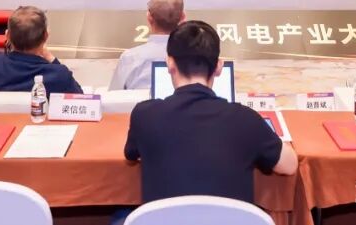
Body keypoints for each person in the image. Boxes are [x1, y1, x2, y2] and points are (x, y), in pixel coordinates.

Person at [124, 21, 298, 204]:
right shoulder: (246, 119)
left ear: (170, 63)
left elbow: (132, 154)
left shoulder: (144, 115)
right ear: (219, 67)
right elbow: (289, 165)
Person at [0, 5, 83, 93]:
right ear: (46, 36)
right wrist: (51, 58)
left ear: (7, 36)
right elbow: (81, 102)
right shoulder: (59, 75)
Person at [110, 0, 186, 90]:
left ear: (149, 17)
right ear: (183, 17)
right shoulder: (196, 58)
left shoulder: (129, 58)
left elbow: (113, 96)